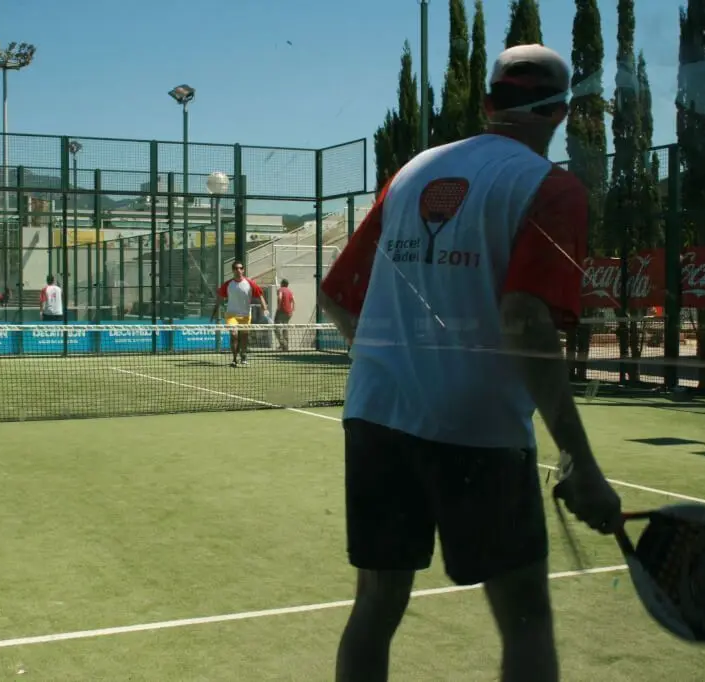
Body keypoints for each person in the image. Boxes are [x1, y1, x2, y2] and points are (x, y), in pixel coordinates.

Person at [318, 45, 622, 682]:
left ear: (488, 104)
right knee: (526, 620)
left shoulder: (413, 171)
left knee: (375, 604)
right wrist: (579, 458)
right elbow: (525, 320)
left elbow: (335, 295)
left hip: (375, 418)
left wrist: (385, 360)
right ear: (561, 113)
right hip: (477, 435)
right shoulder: (553, 188)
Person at [210, 261, 269, 367]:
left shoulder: (250, 283)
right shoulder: (227, 285)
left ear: (243, 270)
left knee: (244, 336)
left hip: (246, 315)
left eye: (240, 268)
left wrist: (265, 309)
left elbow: (260, 295)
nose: (239, 270)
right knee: (234, 334)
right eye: (236, 268)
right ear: (233, 270)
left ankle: (243, 355)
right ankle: (234, 359)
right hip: (231, 315)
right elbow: (219, 298)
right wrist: (215, 311)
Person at [274, 278, 295, 351]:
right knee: (285, 328)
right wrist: (292, 310)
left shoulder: (281, 289)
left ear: (282, 283)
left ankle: (283, 344)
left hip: (281, 311)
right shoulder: (290, 291)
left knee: (276, 328)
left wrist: (279, 307)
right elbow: (293, 300)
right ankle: (285, 346)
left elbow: (280, 297)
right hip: (289, 313)